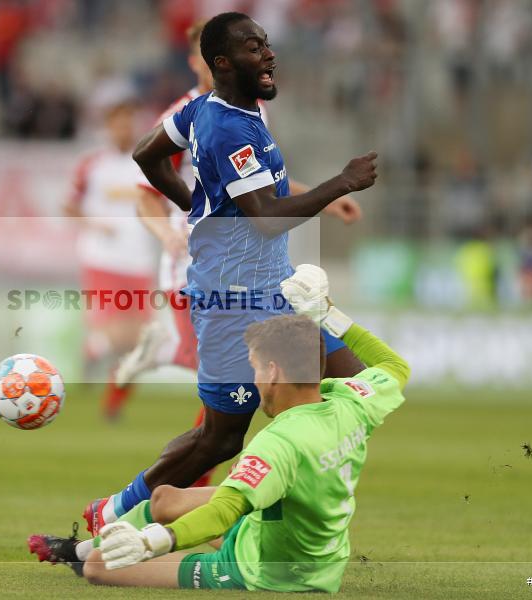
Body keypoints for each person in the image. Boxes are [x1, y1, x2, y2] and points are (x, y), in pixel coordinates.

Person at [82, 12, 378, 536]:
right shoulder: (224, 127)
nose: (268, 54)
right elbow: (265, 217)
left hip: (273, 291)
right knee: (218, 441)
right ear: (221, 62)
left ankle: (286, 496)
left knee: (356, 383)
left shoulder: (210, 109)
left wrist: (196, 205)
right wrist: (342, 181)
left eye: (265, 44)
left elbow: (147, 153)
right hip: (231, 304)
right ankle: (115, 511)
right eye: (253, 48)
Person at [29, 264, 409, 593]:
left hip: (267, 570)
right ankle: (78, 549)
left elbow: (225, 511)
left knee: (100, 567)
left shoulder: (280, 441)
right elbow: (395, 368)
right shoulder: (353, 400)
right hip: (300, 541)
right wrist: (328, 315)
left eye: (256, 368)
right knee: (162, 499)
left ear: (274, 371)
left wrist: (151, 542)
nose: (254, 380)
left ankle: (88, 555)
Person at [110, 19, 363, 415]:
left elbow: (259, 183)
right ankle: (169, 354)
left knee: (241, 387)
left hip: (251, 256)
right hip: (203, 254)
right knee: (234, 386)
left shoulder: (253, 107)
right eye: (201, 58)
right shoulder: (189, 113)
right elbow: (147, 191)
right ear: (200, 63)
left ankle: (169, 355)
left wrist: (326, 200)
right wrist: (173, 226)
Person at [64, 90, 158, 406]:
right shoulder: (93, 165)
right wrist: (95, 223)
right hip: (102, 258)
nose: (124, 129)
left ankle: (111, 393)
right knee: (116, 330)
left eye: (129, 123)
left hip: (139, 260)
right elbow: (69, 206)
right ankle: (95, 353)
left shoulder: (147, 163)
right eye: (118, 124)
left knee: (137, 339)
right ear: (108, 127)